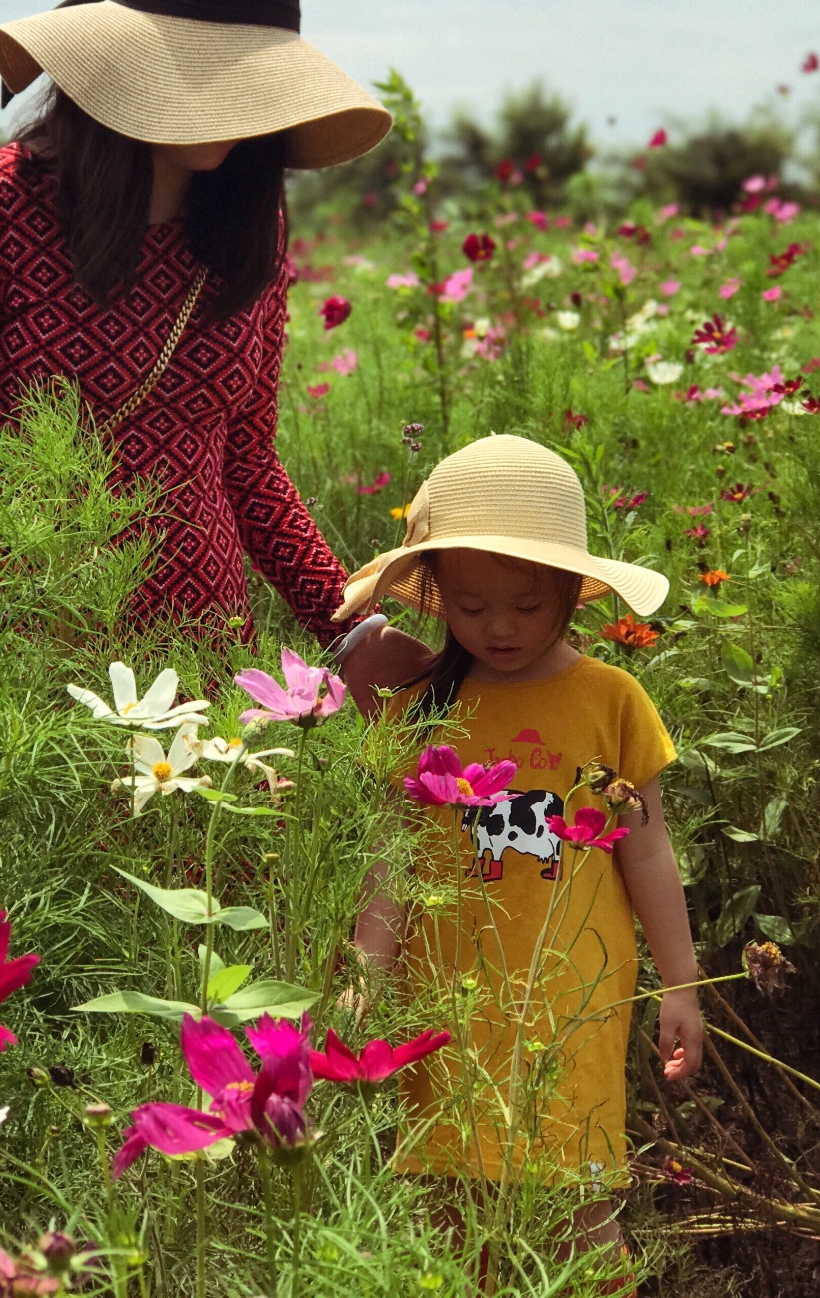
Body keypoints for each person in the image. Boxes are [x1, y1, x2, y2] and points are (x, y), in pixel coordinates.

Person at [0, 0, 390, 645]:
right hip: (26, 655)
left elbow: (246, 463)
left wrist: (356, 629)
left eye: (247, 82)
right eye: (200, 73)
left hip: (207, 661)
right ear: (127, 63)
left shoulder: (252, 226)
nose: (228, 107)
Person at [342, 434, 703, 1270]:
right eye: (471, 606)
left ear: (574, 591)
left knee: (577, 1206)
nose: (499, 627)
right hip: (445, 1001)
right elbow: (393, 850)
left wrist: (681, 981)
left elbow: (647, 856)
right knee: (442, 1206)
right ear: (438, 596)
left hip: (569, 1001)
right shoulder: (420, 706)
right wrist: (366, 972)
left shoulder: (611, 700)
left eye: (528, 605)